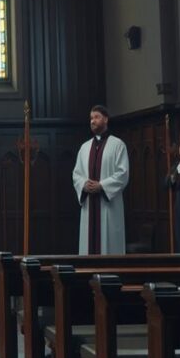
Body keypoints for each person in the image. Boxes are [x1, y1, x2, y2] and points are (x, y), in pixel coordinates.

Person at [72, 105, 130, 255]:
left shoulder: (118, 145)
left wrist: (102, 186)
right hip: (89, 205)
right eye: (91, 118)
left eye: (96, 117)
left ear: (105, 119)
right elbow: (76, 174)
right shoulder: (84, 148)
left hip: (108, 207)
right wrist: (84, 184)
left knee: (108, 248)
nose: (93, 121)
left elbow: (123, 174)